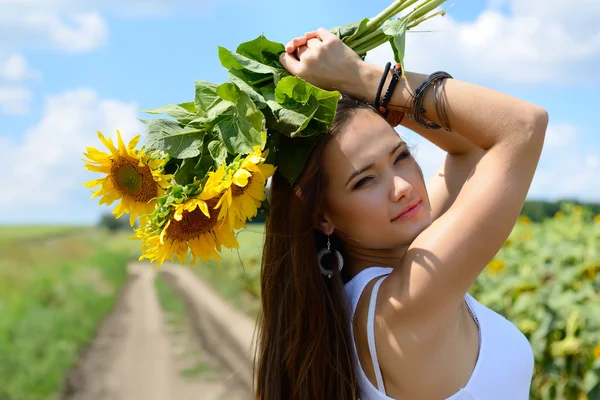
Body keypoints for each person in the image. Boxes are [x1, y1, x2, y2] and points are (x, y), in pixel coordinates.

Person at [253, 27, 548, 400]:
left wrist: (368, 95)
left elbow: (468, 151)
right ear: (322, 217)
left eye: (401, 157)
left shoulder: (378, 281)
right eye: (364, 182)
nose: (402, 187)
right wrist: (362, 77)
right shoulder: (405, 301)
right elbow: (522, 126)